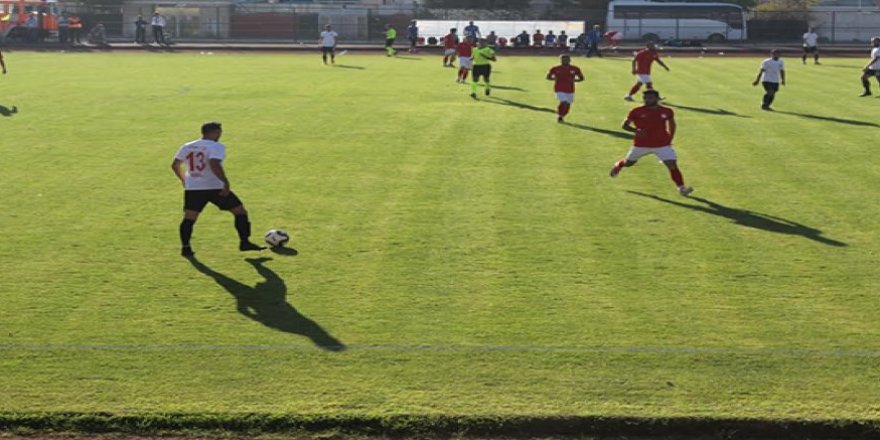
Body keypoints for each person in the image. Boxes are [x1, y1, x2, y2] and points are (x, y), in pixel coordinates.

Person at [171, 122, 265, 257]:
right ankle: (244, 242)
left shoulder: (187, 146)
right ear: (214, 132)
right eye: (219, 132)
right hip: (214, 187)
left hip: (194, 188)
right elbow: (214, 163)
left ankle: (186, 248)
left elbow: (175, 164)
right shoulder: (217, 146)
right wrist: (225, 182)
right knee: (240, 211)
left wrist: (184, 180)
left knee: (189, 218)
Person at [609, 90, 693, 197]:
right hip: (641, 144)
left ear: (657, 99)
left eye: (650, 98)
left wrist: (669, 140)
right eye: (646, 98)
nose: (647, 100)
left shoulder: (667, 111)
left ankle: (681, 188)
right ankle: (619, 165)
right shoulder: (636, 111)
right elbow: (624, 125)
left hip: (662, 144)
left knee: (672, 165)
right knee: (629, 163)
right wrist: (636, 131)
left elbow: (672, 126)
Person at [546, 54, 584, 123]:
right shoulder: (555, 68)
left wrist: (574, 80)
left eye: (566, 59)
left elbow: (581, 78)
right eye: (563, 60)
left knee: (568, 105)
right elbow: (548, 77)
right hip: (559, 88)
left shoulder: (575, 69)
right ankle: (559, 115)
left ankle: (562, 115)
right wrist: (555, 78)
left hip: (570, 89)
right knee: (564, 102)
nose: (564, 61)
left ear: (570, 60)